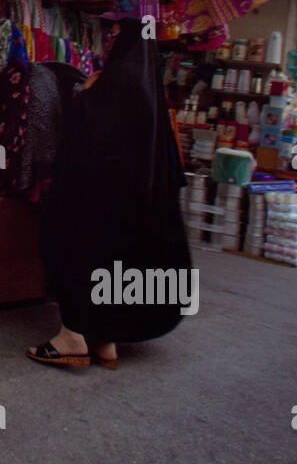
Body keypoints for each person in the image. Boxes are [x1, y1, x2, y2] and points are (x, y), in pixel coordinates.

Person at [29, 18, 191, 370]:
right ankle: (106, 340)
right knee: (115, 264)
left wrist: (83, 95)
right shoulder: (149, 89)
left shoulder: (117, 81)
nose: (108, 41)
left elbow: (87, 134)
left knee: (69, 246)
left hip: (98, 200)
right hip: (131, 209)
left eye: (115, 35)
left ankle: (71, 337)